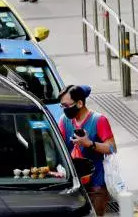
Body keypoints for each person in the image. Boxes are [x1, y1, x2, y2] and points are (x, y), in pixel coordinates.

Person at [57, 85, 116, 216]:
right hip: (73, 183)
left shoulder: (99, 120)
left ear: (79, 103)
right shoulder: (64, 121)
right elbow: (58, 147)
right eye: (62, 106)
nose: (64, 110)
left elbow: (112, 148)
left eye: (67, 106)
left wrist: (89, 143)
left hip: (96, 183)